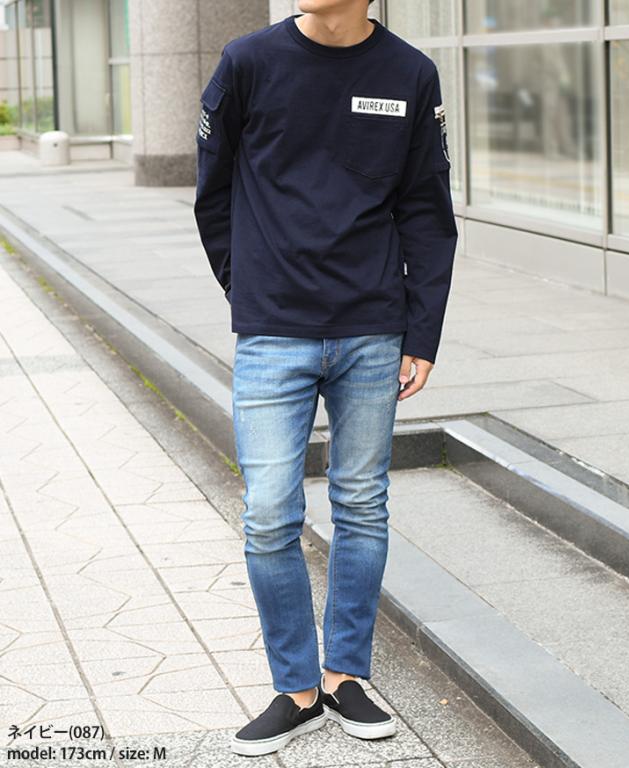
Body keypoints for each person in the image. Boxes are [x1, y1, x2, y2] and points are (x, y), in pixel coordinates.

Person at [194, 0, 457, 756]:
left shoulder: (409, 73)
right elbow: (212, 190)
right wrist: (248, 288)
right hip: (272, 332)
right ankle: (296, 688)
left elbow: (427, 209)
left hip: (372, 330)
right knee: (269, 513)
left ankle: (344, 675)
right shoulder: (248, 62)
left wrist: (422, 332)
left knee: (362, 504)